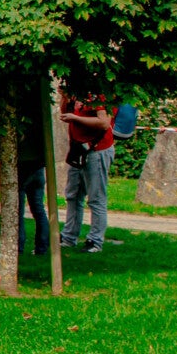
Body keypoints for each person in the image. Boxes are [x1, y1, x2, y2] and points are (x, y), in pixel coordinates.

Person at [59, 87, 115, 253]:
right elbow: (66, 115)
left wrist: (76, 118)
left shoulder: (99, 93)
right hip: (79, 149)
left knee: (96, 197)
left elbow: (104, 123)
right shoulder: (77, 91)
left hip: (97, 150)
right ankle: (69, 237)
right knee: (73, 195)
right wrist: (65, 98)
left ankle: (95, 241)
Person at [10, 94, 50, 256]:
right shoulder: (39, 122)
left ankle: (18, 246)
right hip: (37, 167)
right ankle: (42, 247)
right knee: (38, 208)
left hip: (22, 166)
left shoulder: (17, 123)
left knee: (17, 210)